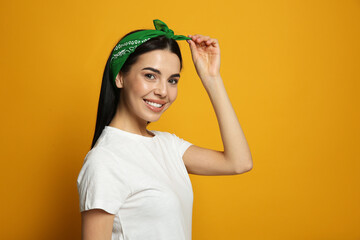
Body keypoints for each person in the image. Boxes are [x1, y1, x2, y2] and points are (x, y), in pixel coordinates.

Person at [76, 19, 253, 240]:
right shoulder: (104, 161)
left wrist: (211, 78)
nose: (163, 91)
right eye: (150, 75)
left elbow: (239, 162)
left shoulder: (169, 145)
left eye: (172, 80)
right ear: (120, 76)